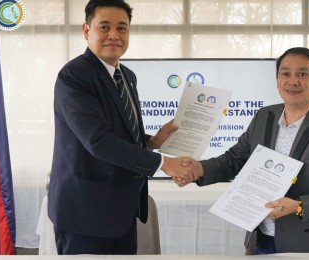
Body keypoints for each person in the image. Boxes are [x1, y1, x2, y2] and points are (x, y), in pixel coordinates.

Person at [175, 47, 309, 253]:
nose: (293, 81)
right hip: (261, 239)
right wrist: (198, 169)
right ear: (277, 79)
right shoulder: (264, 116)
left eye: (302, 74)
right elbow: (235, 159)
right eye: (285, 74)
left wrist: (298, 206)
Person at [48, 0, 199, 255]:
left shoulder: (127, 75)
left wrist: (152, 141)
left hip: (122, 209)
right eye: (104, 27)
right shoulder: (74, 76)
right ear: (86, 30)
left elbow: (121, 134)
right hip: (85, 212)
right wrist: (165, 163)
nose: (114, 35)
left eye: (122, 28)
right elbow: (98, 141)